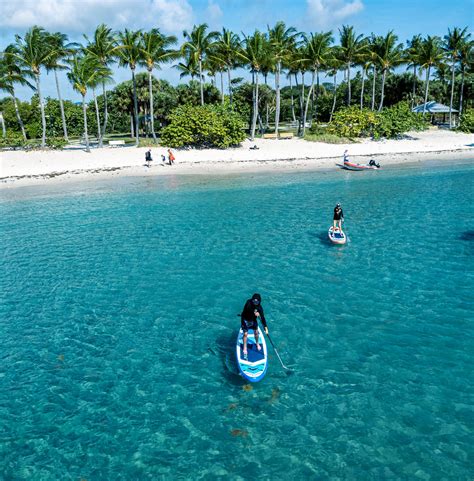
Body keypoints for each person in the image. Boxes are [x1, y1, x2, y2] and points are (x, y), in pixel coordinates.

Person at [240, 293, 269, 360]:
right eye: (254, 301)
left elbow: (262, 318)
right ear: (252, 300)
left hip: (253, 320)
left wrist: (265, 327)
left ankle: (257, 343)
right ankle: (245, 347)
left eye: (257, 301)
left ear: (259, 301)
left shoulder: (260, 308)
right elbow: (246, 311)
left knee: (256, 332)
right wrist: (254, 312)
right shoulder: (248, 302)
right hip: (245, 319)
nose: (255, 302)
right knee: (245, 334)